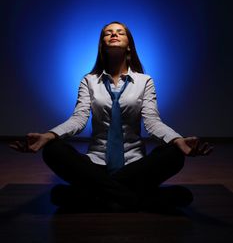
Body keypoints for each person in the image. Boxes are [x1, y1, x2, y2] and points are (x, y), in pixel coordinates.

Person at [10, 21, 213, 212]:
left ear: (129, 46)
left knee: (174, 154)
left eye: (120, 32)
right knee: (52, 150)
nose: (114, 34)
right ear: (102, 45)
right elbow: (78, 120)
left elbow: (152, 122)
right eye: (108, 32)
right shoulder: (89, 81)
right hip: (95, 166)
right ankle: (143, 200)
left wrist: (178, 140)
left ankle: (91, 197)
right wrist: (48, 136)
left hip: (134, 166)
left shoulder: (145, 81)